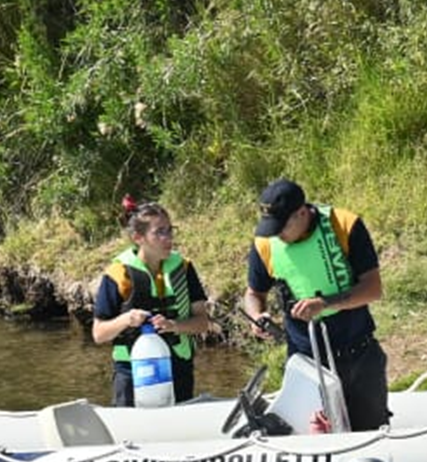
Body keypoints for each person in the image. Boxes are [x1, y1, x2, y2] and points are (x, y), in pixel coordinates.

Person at [241, 179, 388, 430]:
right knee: (310, 436)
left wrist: (325, 303)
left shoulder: (343, 224)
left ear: (302, 213)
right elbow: (253, 293)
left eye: (282, 227)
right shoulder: (265, 243)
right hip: (306, 362)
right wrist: (258, 315)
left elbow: (373, 289)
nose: (277, 235)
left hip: (358, 356)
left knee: (371, 433)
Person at [90, 198, 213, 406]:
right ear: (138, 238)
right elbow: (99, 333)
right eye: (159, 232)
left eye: (170, 230)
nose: (168, 238)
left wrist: (174, 326)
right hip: (133, 372)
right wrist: (127, 319)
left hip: (178, 368)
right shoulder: (119, 274)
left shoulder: (183, 269)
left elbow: (202, 322)